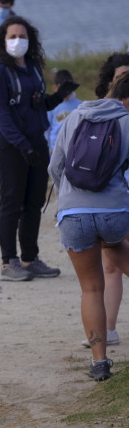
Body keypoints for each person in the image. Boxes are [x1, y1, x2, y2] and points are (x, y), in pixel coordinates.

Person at [48, 73, 129, 382]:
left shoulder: (75, 115)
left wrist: (69, 198)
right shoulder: (126, 121)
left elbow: (55, 166)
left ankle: (99, 362)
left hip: (74, 214)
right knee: (114, 245)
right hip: (114, 213)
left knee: (91, 288)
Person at [0, 16, 74, 282]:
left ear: (30, 38)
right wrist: (23, 146)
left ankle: (30, 258)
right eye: (12, 37)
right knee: (12, 202)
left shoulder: (33, 67)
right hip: (11, 145)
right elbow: (1, 116)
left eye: (22, 36)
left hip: (36, 142)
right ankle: (8, 262)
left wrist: (57, 98)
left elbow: (35, 105)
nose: (18, 41)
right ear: (3, 40)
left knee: (34, 203)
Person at [89, 53, 129, 348]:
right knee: (110, 266)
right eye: (121, 76)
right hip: (114, 196)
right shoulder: (100, 110)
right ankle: (109, 329)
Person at [46, 70, 82, 151]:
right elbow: (46, 129)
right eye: (63, 88)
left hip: (74, 149)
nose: (66, 92)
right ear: (55, 88)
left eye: (69, 88)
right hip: (55, 149)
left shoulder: (80, 105)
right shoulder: (51, 105)